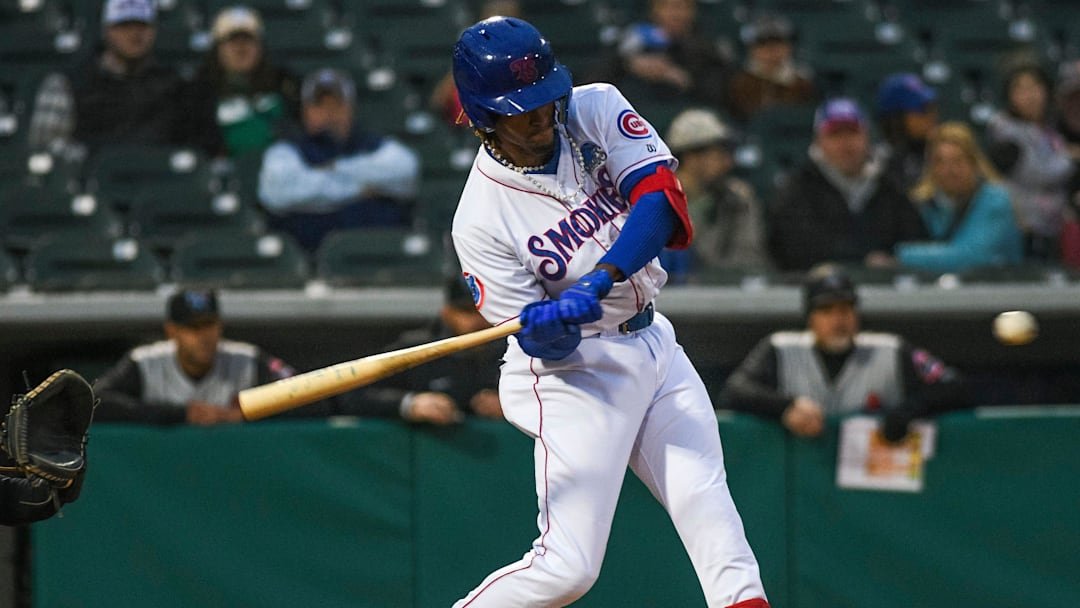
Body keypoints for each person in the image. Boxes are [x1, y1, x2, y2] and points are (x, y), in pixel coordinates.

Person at [448, 17, 769, 608]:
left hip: (655, 343)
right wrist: (546, 330)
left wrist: (601, 277)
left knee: (711, 513)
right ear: (485, 116)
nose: (543, 116)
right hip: (576, 377)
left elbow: (662, 200)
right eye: (523, 110)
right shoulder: (479, 219)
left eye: (546, 98)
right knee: (568, 569)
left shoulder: (593, 107)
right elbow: (538, 343)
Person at [720, 264, 968, 440]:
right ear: (810, 317)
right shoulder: (780, 349)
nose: (839, 320)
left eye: (846, 309)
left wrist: (909, 411)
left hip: (875, 491)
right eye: (827, 311)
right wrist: (784, 407)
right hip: (800, 486)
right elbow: (736, 389)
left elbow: (954, 385)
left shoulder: (891, 350)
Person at [94, 287, 317, 425]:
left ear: (219, 326)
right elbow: (96, 402)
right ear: (172, 331)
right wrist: (179, 415)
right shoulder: (145, 362)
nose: (204, 336)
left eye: (209, 325)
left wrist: (242, 416)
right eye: (193, 328)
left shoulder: (246, 359)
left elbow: (304, 395)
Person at [257, 67, 421, 252]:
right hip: (308, 262)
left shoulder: (371, 144)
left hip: (383, 256)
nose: (329, 113)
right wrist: (359, 188)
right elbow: (278, 192)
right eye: (320, 105)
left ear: (351, 109)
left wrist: (333, 169)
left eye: (337, 105)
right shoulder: (287, 149)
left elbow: (406, 170)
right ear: (305, 111)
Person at [27, 0, 216, 159]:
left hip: (161, 187)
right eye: (124, 25)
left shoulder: (176, 85)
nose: (135, 33)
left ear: (154, 31)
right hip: (91, 184)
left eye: (142, 25)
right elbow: (45, 149)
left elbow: (196, 147)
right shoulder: (68, 83)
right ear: (107, 30)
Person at [767, 97, 926, 272]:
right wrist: (863, 260)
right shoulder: (796, 190)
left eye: (852, 132)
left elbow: (915, 241)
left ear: (867, 137)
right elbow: (796, 250)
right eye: (835, 134)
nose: (845, 143)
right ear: (818, 142)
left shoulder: (891, 187)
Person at [339, 275, 504, 424]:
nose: (477, 320)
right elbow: (353, 395)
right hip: (428, 448)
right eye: (467, 312)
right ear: (447, 312)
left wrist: (511, 405)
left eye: (483, 311)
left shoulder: (515, 348)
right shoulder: (418, 348)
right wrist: (408, 403)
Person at [895, 122, 1024, 273]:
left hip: (1003, 288)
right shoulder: (925, 204)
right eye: (940, 162)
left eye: (958, 161)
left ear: (974, 163)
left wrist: (899, 255)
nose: (949, 170)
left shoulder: (995, 199)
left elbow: (969, 256)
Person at [985, 63, 1075, 260]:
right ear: (1009, 95)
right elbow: (1037, 173)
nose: (1030, 95)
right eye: (1021, 89)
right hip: (1024, 229)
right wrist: (1070, 158)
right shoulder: (1004, 131)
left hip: (1053, 228)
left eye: (1035, 87)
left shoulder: (1049, 129)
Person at [665, 107, 770, 276]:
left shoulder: (737, 198)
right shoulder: (658, 199)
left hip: (722, 296)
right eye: (718, 154)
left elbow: (748, 259)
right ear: (691, 157)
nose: (728, 162)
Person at [187, 5, 301, 158]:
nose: (241, 48)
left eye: (248, 39)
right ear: (217, 49)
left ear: (261, 47)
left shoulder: (286, 84)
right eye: (232, 40)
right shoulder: (196, 93)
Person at [589, 0, 731, 120]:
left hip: (688, 120)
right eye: (670, 7)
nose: (677, 15)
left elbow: (722, 95)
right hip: (634, 120)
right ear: (655, 10)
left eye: (684, 7)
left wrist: (682, 78)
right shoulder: (632, 40)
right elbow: (594, 84)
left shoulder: (706, 47)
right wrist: (629, 64)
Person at [429, 0, 523, 129]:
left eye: (507, 16)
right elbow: (438, 102)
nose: (500, 24)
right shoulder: (469, 52)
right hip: (466, 129)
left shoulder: (527, 56)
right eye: (495, 15)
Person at [726, 12, 816, 123]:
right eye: (762, 44)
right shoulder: (740, 84)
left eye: (777, 43)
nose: (771, 50)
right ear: (752, 49)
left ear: (789, 47)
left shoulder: (803, 84)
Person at [876, 72, 939, 191]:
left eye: (932, 107)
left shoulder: (938, 156)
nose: (931, 115)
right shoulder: (879, 167)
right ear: (896, 120)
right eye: (923, 109)